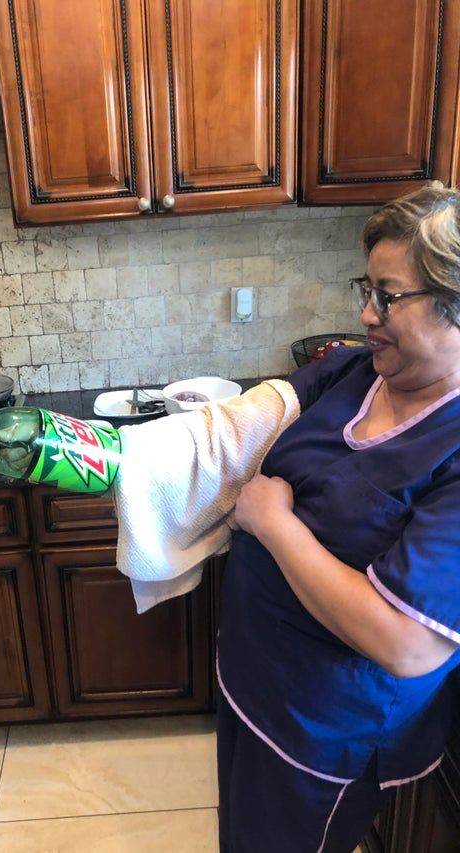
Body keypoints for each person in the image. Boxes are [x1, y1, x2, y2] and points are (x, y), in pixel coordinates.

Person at [217, 184, 460, 852]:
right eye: (367, 287)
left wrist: (274, 524)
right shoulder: (360, 370)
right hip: (255, 683)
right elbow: (244, 421)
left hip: (322, 734)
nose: (366, 312)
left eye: (389, 296)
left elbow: (409, 644)